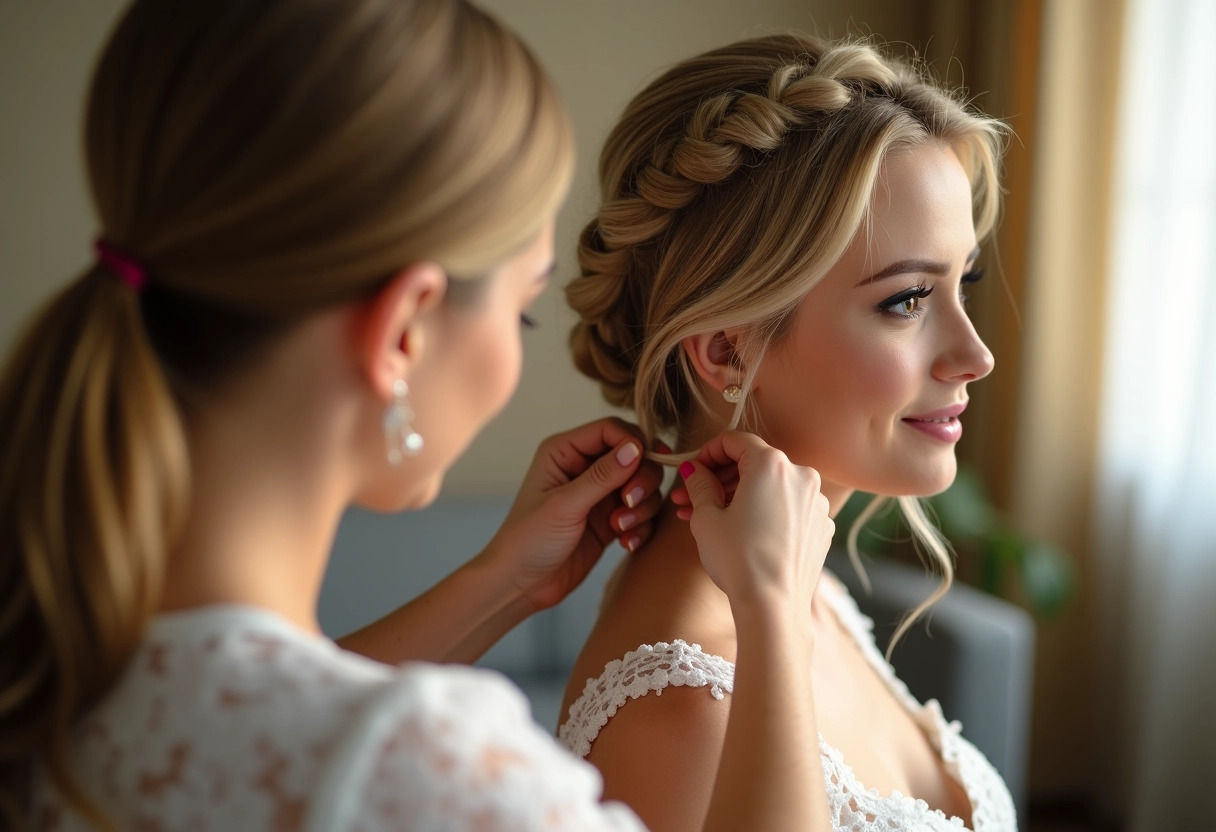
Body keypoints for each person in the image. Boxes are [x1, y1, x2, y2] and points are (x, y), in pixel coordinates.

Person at [0, 2, 842, 831]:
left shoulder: (61, 682)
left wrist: (502, 583)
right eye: (521, 310)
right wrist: (771, 611)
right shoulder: (432, 774)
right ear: (404, 331)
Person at [560, 32, 1018, 832]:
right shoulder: (680, 705)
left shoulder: (816, 591)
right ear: (727, 350)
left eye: (962, 284)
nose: (974, 356)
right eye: (908, 300)